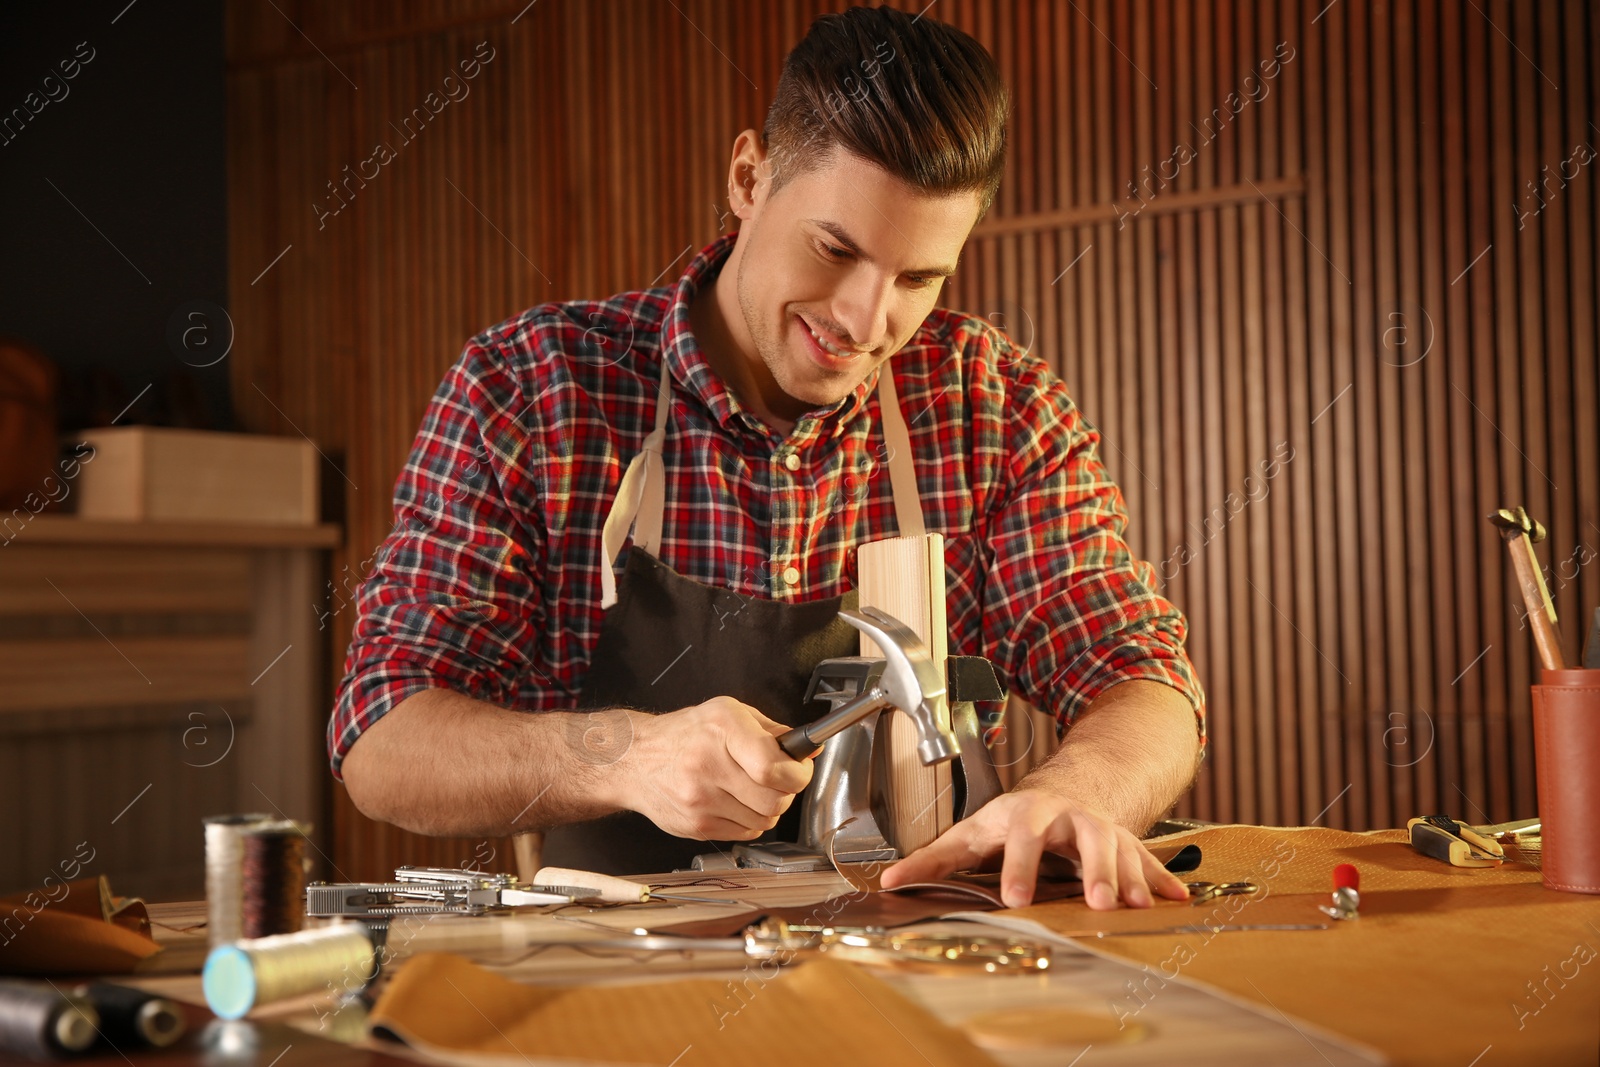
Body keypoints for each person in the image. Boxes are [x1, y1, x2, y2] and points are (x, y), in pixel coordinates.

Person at [332, 5, 1205, 911]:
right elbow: (383, 740)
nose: (866, 324)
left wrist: (1076, 794)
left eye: (918, 279)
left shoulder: (996, 403)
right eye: (835, 249)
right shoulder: (533, 390)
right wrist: (623, 755)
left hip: (924, 974)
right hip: (615, 990)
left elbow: (1142, 675)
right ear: (749, 177)